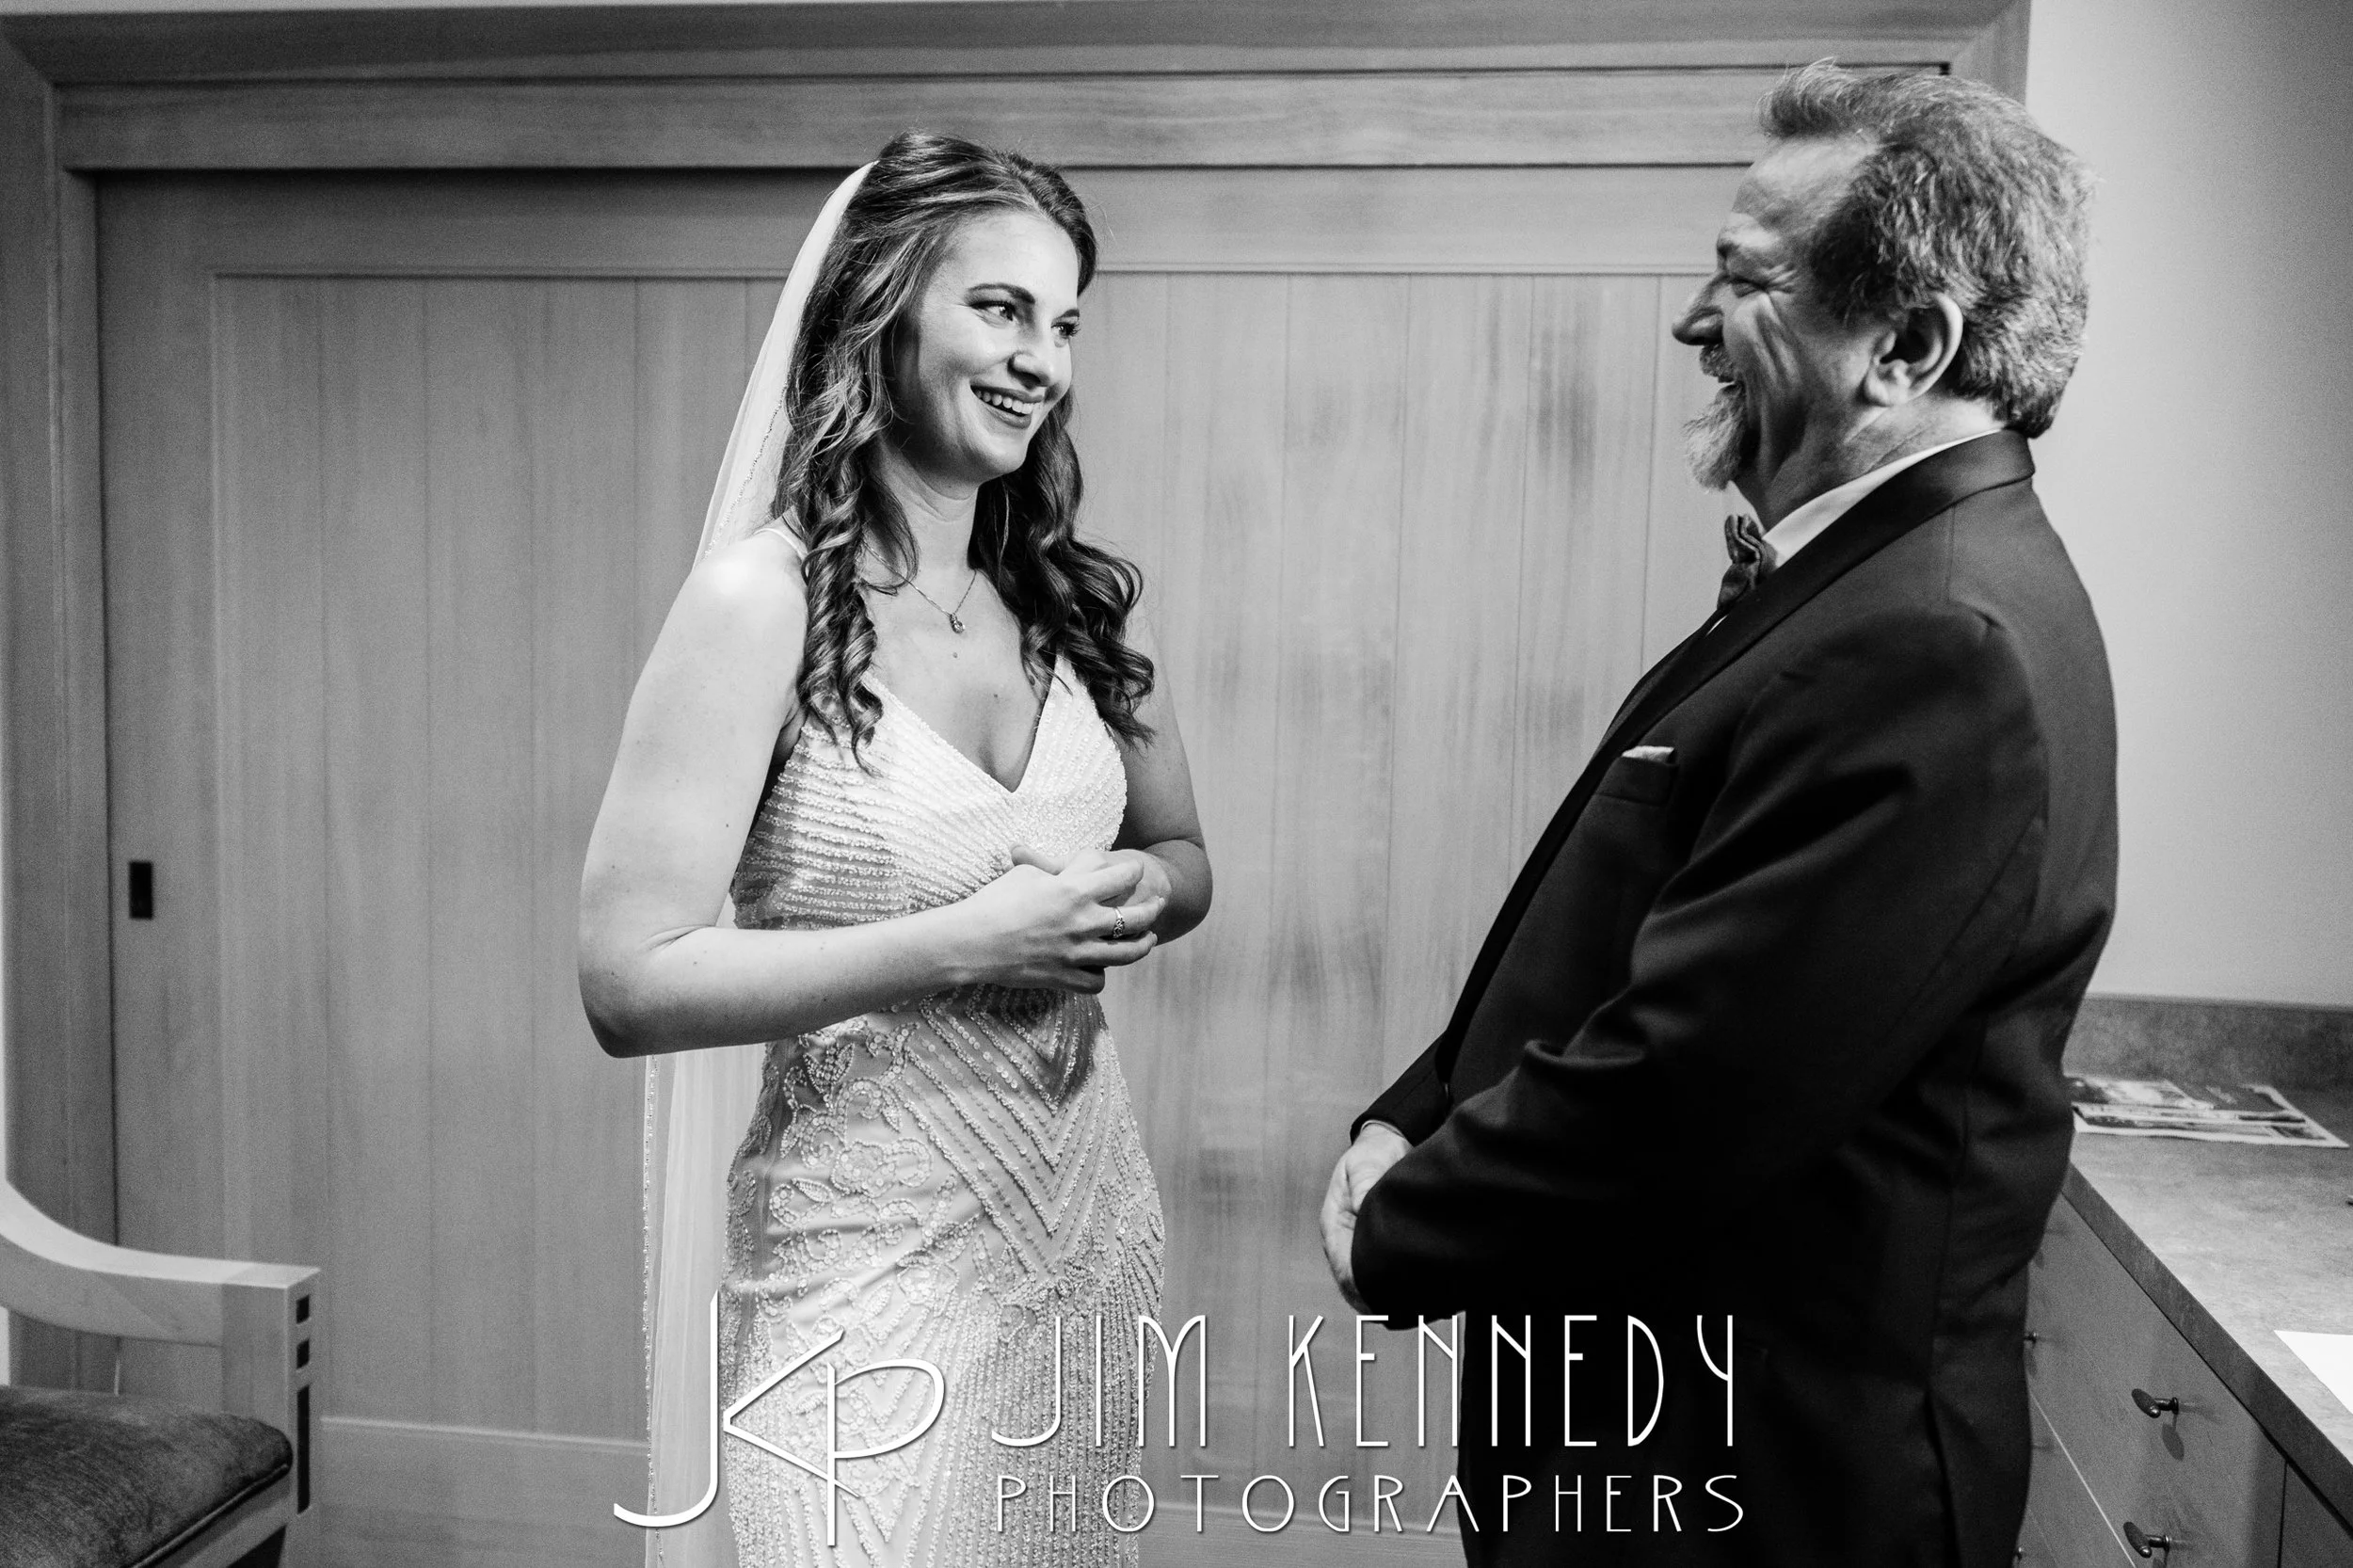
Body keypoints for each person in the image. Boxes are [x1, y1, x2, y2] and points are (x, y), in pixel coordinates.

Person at [1321, 63, 2114, 1567]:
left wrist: (1404, 1219)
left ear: (1907, 346)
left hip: (1761, 1484)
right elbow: (1622, 914)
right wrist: (1415, 1108)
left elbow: (1698, 1082)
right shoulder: (1871, 581)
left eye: (1745, 282)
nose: (1695, 322)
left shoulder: (1940, 640)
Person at [579, 131, 1210, 1568]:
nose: (1039, 359)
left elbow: (1183, 854)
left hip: (1082, 1230)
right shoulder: (759, 607)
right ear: (882, 307)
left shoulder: (1079, 610)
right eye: (1000, 308)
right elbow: (627, 978)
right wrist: (970, 940)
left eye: (1063, 323)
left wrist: (1137, 891)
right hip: (860, 1262)